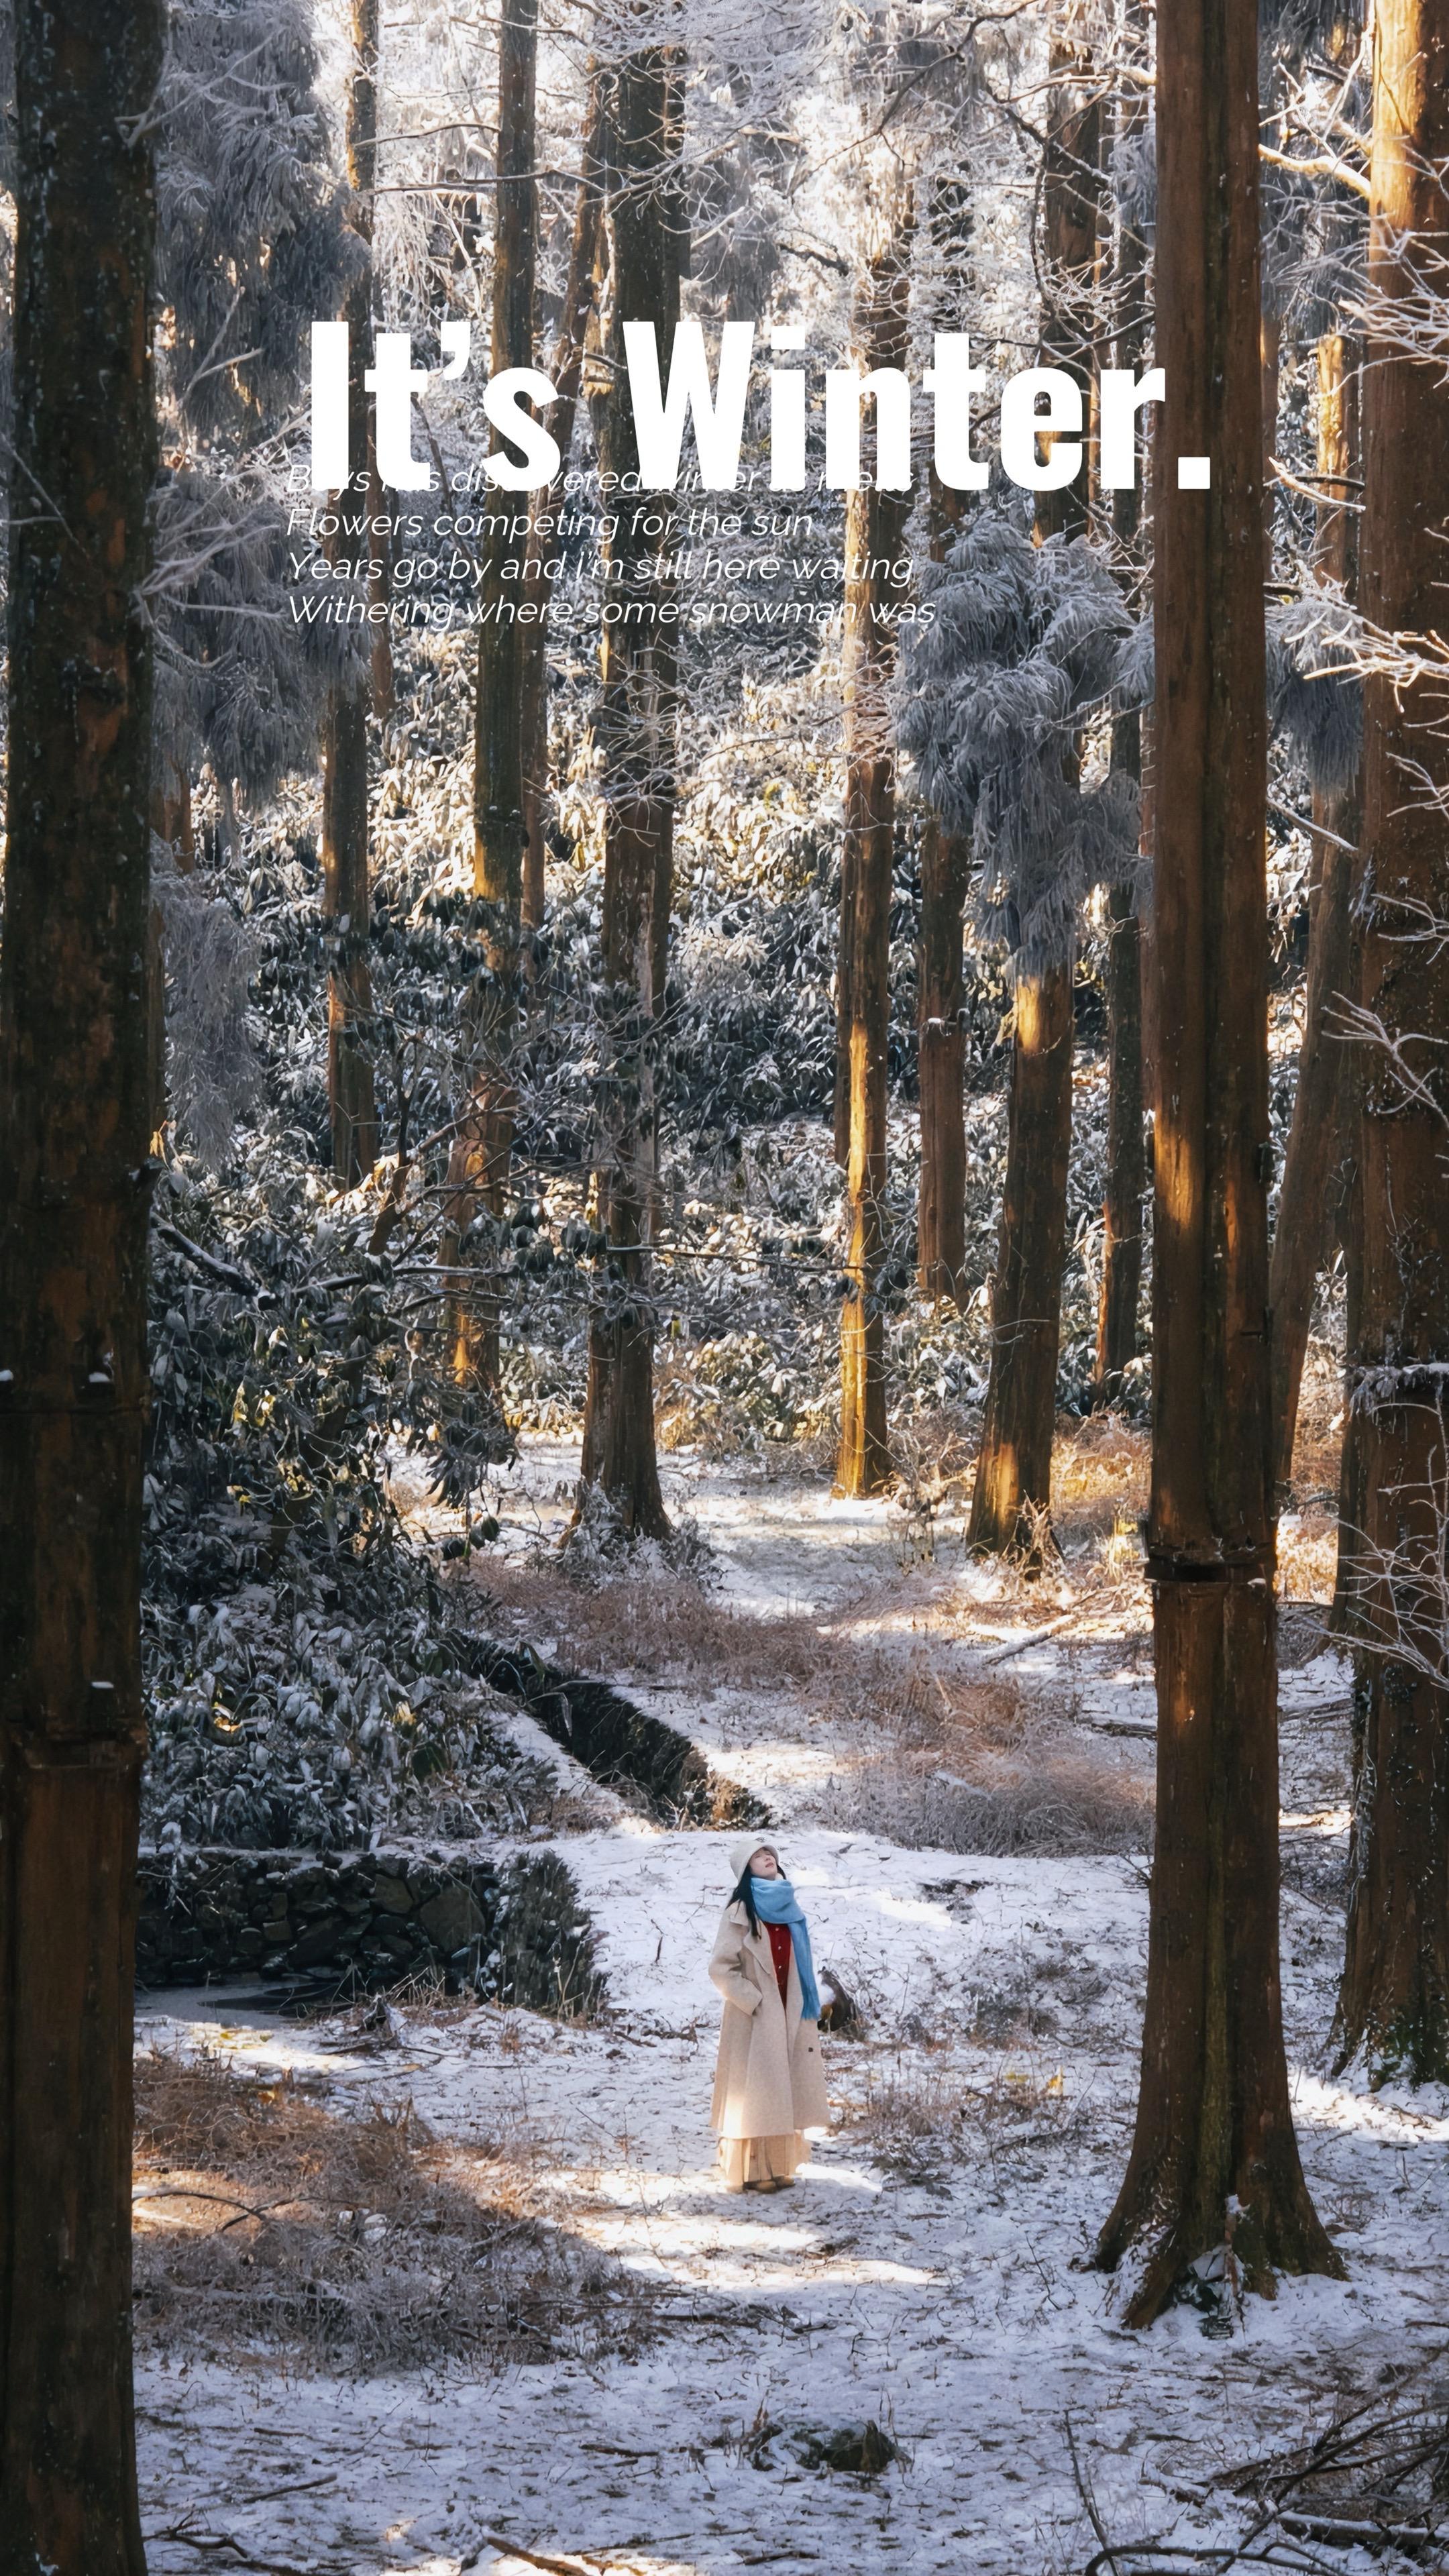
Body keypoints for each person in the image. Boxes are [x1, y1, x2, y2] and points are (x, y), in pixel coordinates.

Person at [708, 1835, 828, 2192]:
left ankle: (780, 2167)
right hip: (755, 2016)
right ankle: (753, 2172)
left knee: (783, 2090)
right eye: (758, 1856)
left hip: (791, 2007)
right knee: (757, 2094)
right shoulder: (740, 1911)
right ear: (746, 1868)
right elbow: (721, 1968)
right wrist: (753, 2000)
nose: (767, 1858)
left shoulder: (790, 1906)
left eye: (770, 1854)